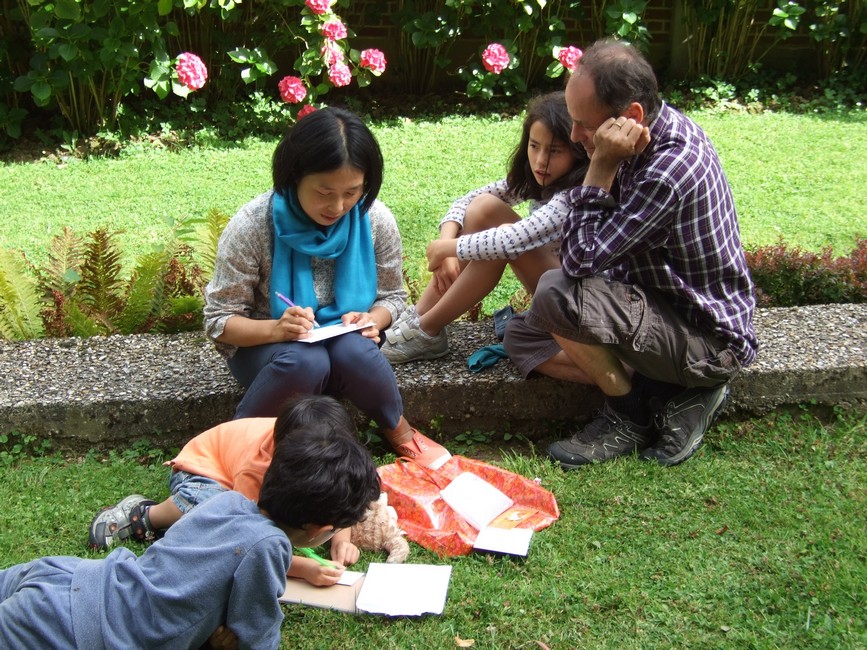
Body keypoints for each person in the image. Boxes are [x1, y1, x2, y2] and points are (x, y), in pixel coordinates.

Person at [516, 38, 758, 468]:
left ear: (631, 117)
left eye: (583, 124)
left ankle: (633, 416)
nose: (574, 137)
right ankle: (661, 392)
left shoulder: (666, 172)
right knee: (522, 333)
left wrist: (600, 168)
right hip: (659, 306)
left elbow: (577, 261)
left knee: (555, 294)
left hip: (706, 339)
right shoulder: (649, 132)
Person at [203, 106, 450, 470]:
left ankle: (399, 431)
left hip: (344, 344)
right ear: (293, 177)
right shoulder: (254, 225)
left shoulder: (373, 219)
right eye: (324, 192)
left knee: (355, 350)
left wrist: (372, 319)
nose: (338, 206)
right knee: (305, 359)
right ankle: (235, 449)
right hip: (269, 352)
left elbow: (393, 298)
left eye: (352, 192)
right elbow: (219, 321)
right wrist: (276, 328)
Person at [0, 420, 381, 648]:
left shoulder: (225, 501)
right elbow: (257, 633)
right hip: (74, 631)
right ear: (320, 531)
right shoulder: (270, 545)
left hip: (69, 576)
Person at [381, 91, 590, 365]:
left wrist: (449, 247)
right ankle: (418, 316)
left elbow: (514, 239)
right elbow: (467, 200)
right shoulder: (536, 178)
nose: (540, 161)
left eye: (554, 151)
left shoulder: (576, 193)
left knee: (500, 242)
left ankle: (427, 328)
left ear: (576, 151)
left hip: (578, 303)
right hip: (550, 286)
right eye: (534, 146)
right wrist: (447, 247)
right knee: (483, 207)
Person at [88, 395, 361, 586]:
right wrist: (301, 569)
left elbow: (340, 495)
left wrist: (341, 540)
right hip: (204, 468)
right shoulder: (258, 469)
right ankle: (145, 515)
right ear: (286, 453)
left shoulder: (333, 461)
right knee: (208, 509)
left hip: (232, 471)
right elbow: (242, 538)